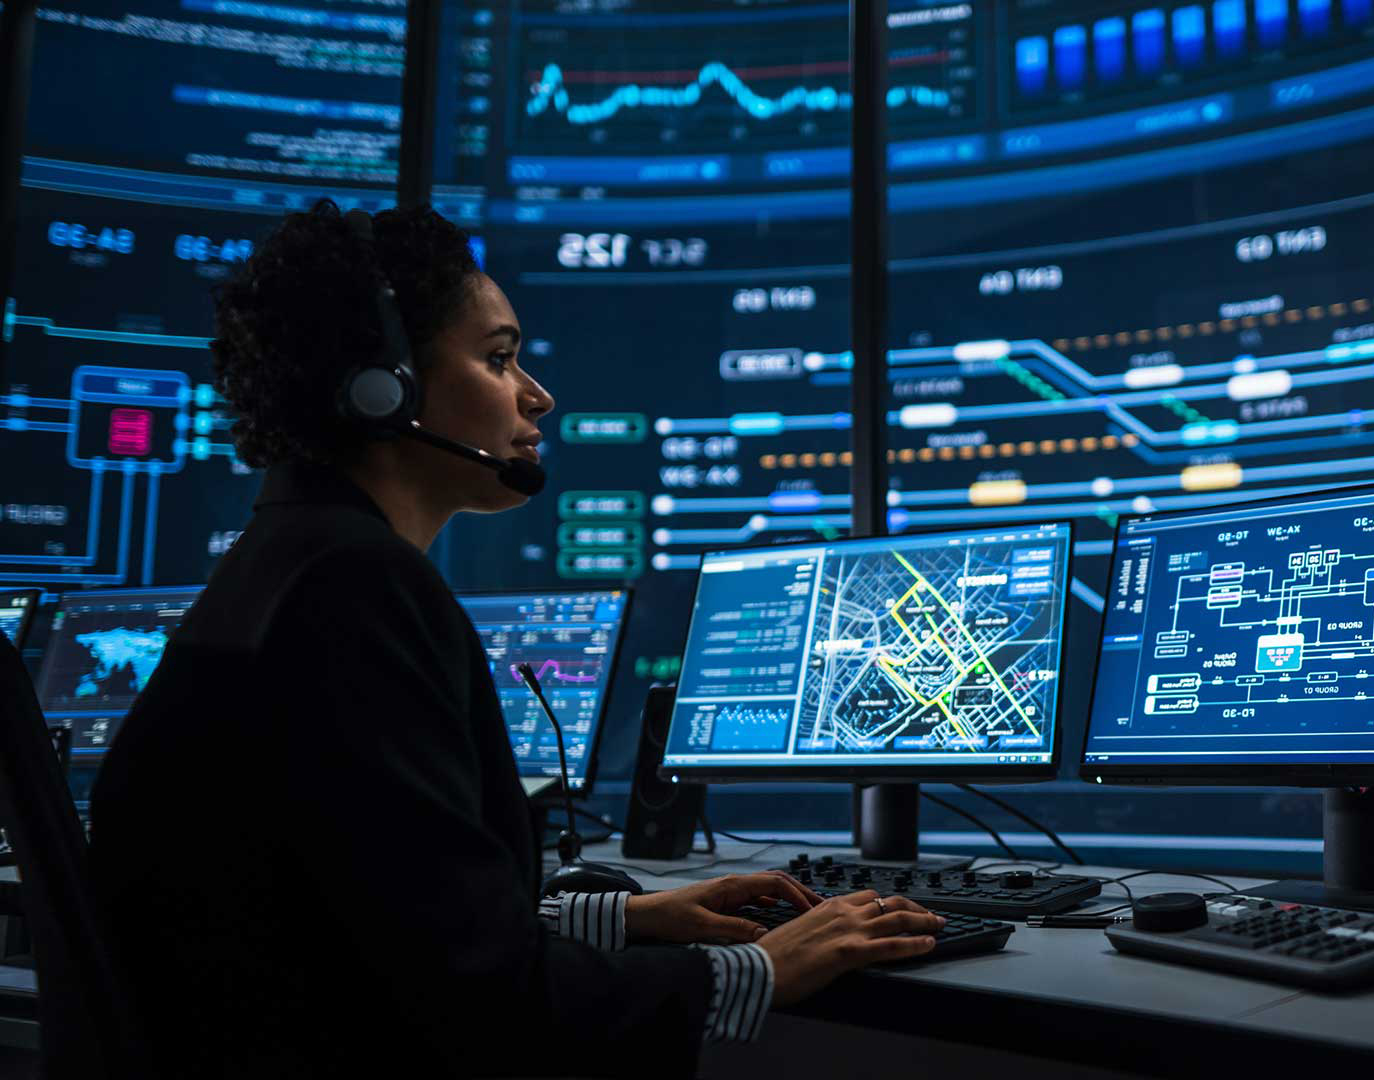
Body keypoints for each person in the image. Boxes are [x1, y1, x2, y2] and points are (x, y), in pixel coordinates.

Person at [87, 200, 944, 1078]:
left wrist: (622, 916)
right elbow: (481, 1004)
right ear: (384, 387)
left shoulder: (283, 565)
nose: (538, 395)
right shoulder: (355, 591)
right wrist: (760, 966)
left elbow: (373, 914)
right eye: (498, 359)